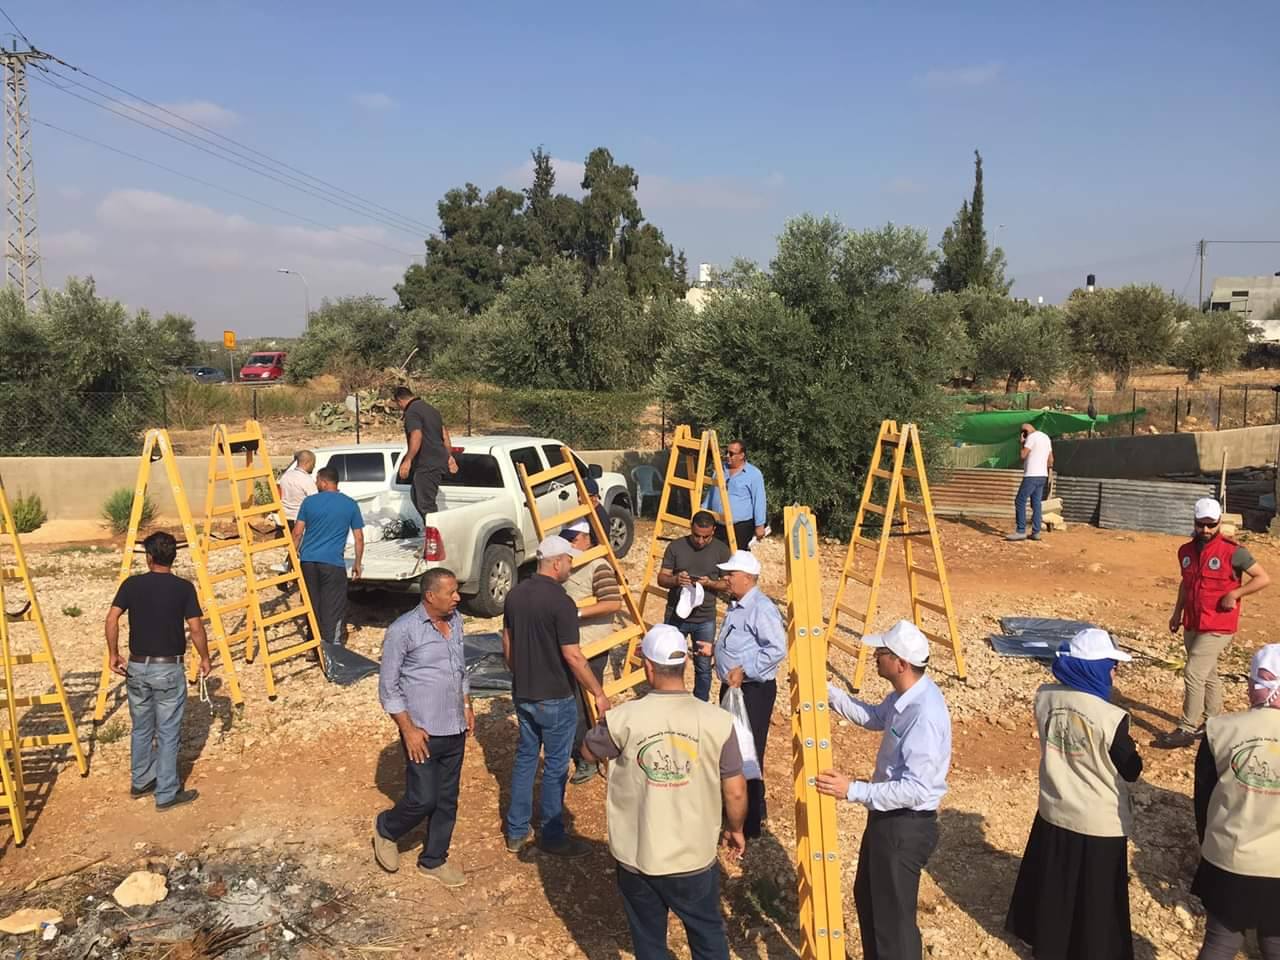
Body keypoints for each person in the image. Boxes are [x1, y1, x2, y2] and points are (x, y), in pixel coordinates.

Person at [580, 624, 748, 960]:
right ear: (685, 665)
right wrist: (735, 828)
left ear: (648, 667)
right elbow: (735, 790)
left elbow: (588, 752)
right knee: (707, 934)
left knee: (649, 940)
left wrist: (602, 724)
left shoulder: (623, 718)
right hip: (693, 857)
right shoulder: (717, 721)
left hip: (638, 856)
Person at [817, 620, 952, 960]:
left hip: (905, 825)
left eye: (882, 652)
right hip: (888, 819)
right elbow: (874, 717)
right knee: (870, 899)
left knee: (893, 922)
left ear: (901, 664)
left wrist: (853, 790)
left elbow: (915, 789)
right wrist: (827, 692)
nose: (875, 655)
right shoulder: (905, 696)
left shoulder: (924, 714)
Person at [1005, 628, 1142, 960]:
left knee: (1057, 885)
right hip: (1098, 822)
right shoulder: (1110, 717)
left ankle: (1048, 944)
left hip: (1055, 809)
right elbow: (1131, 769)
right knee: (1096, 897)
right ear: (1095, 669)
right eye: (1111, 665)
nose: (1114, 672)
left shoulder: (1045, 697)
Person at [502, 536, 611, 857]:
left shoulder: (515, 595)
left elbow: (507, 642)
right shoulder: (562, 603)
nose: (571, 567)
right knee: (555, 766)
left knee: (525, 759)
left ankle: (516, 831)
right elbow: (573, 655)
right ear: (557, 562)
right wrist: (598, 692)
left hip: (524, 692)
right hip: (555, 696)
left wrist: (519, 674)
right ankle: (551, 834)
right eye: (569, 561)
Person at [373, 568, 474, 889]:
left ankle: (433, 860)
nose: (457, 597)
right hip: (423, 732)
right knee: (423, 799)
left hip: (455, 727)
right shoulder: (403, 630)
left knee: (447, 799)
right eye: (450, 592)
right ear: (431, 596)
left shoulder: (456, 622)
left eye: (456, 591)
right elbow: (388, 688)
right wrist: (408, 730)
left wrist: (467, 705)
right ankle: (387, 828)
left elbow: (460, 669)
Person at [104, 531, 212, 811]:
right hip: (167, 667)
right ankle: (166, 793)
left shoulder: (131, 585)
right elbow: (196, 628)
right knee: (167, 731)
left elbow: (112, 619)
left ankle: (141, 780)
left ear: (149, 557)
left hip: (137, 666)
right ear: (173, 557)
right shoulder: (183, 588)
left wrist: (113, 653)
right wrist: (204, 657)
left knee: (141, 727)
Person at [1157, 497, 1271, 749]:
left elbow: (1263, 578)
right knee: (1207, 673)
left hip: (1219, 624)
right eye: (1201, 524)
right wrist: (1177, 613)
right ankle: (1213, 721)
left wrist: (1235, 593)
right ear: (1194, 522)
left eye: (1211, 524)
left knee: (1193, 672)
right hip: (1193, 621)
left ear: (1219, 522)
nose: (1206, 530)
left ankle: (1187, 728)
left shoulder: (1234, 552)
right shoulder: (1185, 551)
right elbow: (1186, 584)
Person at [1190, 643, 1280, 960]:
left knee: (1220, 942)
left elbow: (1203, 802)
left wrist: (1208, 845)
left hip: (1229, 859)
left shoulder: (1219, 730)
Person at [713, 549, 786, 838]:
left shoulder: (761, 608)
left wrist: (745, 670)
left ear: (747, 577)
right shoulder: (738, 604)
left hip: (752, 690)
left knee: (747, 751)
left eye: (731, 574)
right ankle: (734, 810)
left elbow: (776, 649)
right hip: (734, 688)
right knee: (730, 747)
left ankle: (751, 819)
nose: (726, 578)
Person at [557, 518, 625, 784]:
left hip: (592, 646)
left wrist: (575, 612)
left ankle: (588, 757)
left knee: (586, 705)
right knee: (570, 702)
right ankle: (576, 749)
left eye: (574, 539)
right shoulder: (568, 562)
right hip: (569, 646)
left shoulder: (598, 565)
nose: (571, 544)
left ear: (586, 539)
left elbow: (613, 602)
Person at [658, 511, 730, 702]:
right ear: (691, 528)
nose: (700, 541)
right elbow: (662, 578)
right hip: (676, 616)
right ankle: (670, 703)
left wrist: (710, 583)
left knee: (703, 666)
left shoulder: (721, 550)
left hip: (705, 618)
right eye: (696, 535)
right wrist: (675, 580)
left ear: (713, 531)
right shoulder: (676, 547)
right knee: (669, 663)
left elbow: (727, 584)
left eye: (705, 537)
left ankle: (700, 705)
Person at [294, 466, 364, 649]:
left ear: (324, 482)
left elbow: (297, 533)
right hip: (333, 563)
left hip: (308, 562)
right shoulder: (350, 504)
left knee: (311, 603)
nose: (316, 483)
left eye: (317, 480)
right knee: (333, 605)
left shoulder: (309, 502)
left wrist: (291, 557)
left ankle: (313, 645)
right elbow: (358, 538)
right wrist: (357, 563)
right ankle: (332, 646)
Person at [393, 386, 458, 519]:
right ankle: (429, 528)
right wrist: (449, 456)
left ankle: (435, 531)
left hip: (427, 464)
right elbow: (444, 434)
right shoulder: (432, 409)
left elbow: (416, 435)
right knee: (416, 496)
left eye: (398, 405)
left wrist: (408, 460)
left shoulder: (412, 411)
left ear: (400, 401)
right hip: (436, 462)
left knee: (426, 505)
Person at [702, 440, 767, 550]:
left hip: (740, 527)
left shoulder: (754, 474)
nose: (727, 456)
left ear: (742, 455)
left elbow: (759, 500)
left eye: (731, 453)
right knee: (715, 554)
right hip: (718, 524)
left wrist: (760, 525)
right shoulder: (720, 470)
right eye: (726, 452)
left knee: (737, 557)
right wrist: (702, 511)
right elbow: (711, 493)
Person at [274, 450, 316, 591]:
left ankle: (289, 575)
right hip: (300, 518)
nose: (314, 467)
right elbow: (314, 500)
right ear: (308, 462)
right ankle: (288, 576)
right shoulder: (306, 480)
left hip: (286, 517)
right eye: (313, 464)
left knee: (294, 548)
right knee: (300, 549)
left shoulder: (287, 475)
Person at [1008, 421, 1053, 542]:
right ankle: (1036, 532)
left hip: (1031, 475)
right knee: (1036, 504)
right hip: (1042, 475)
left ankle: (1020, 531)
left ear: (1025, 432)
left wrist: (1022, 443)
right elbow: (1051, 460)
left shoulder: (1031, 438)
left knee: (1020, 501)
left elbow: (1023, 455)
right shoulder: (1046, 437)